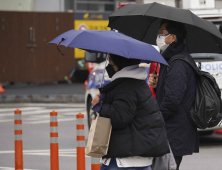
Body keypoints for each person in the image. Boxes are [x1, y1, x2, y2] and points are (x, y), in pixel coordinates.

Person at [92, 54, 170, 170]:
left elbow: (119, 117)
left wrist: (99, 106)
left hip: (123, 161)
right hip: (138, 159)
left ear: (119, 64)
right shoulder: (138, 84)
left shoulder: (125, 87)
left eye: (111, 63)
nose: (109, 66)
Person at [149, 20, 199, 170]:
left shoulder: (178, 63)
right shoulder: (171, 59)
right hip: (174, 129)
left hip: (174, 131)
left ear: (173, 37)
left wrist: (155, 119)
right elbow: (173, 92)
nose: (159, 37)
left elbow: (172, 101)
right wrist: (159, 86)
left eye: (162, 33)